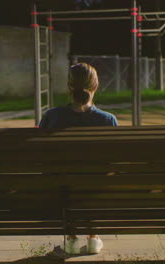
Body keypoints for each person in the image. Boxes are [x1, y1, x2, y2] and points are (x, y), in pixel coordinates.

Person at [39, 63, 118, 254]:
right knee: (96, 181)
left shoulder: (52, 117)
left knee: (64, 181)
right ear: (96, 86)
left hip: (62, 189)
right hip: (95, 189)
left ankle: (72, 237)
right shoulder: (108, 120)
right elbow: (114, 162)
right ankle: (93, 236)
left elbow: (40, 156)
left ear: (69, 86)